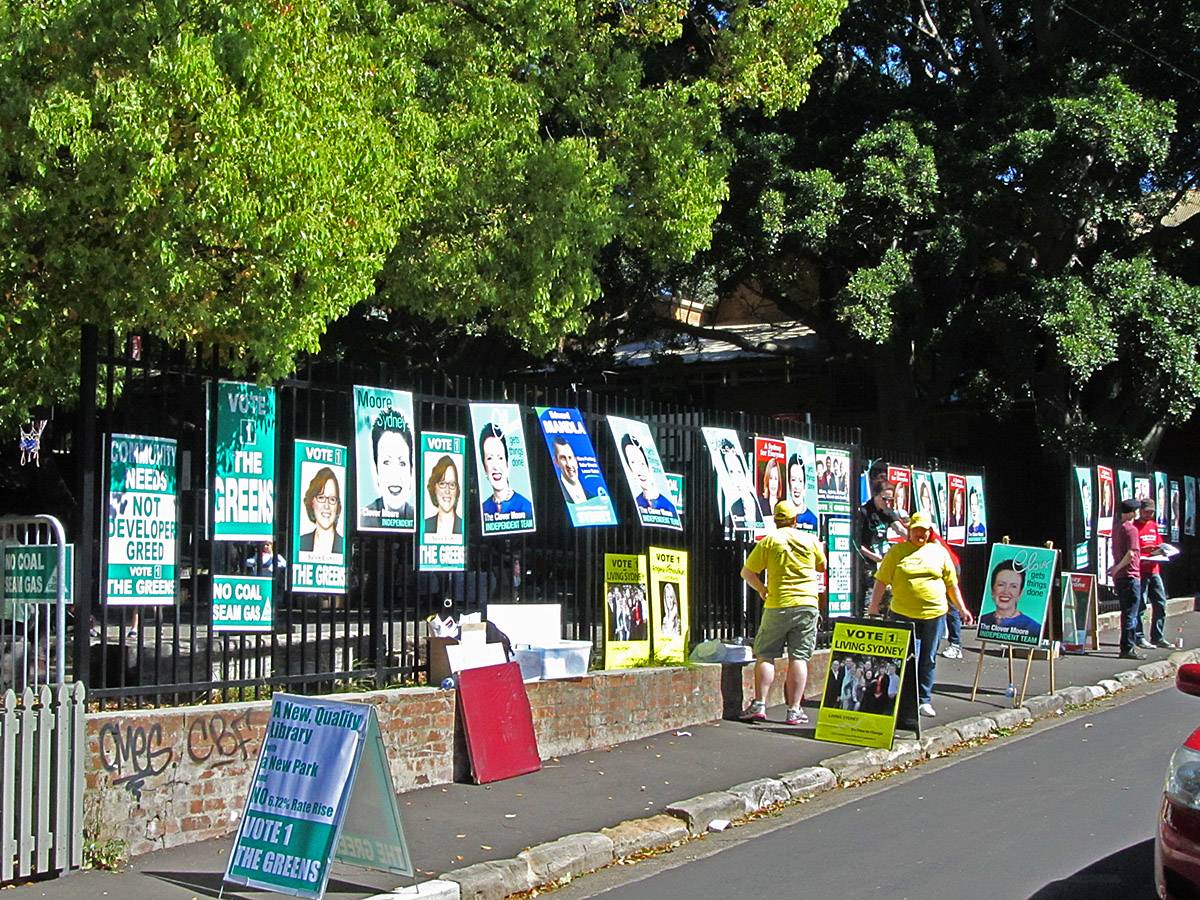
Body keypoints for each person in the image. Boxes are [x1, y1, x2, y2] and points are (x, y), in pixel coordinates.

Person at [869, 512, 975, 717]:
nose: (921, 534)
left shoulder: (939, 552)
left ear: (930, 532)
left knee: (928, 658)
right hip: (902, 613)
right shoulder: (897, 552)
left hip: (934, 614)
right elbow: (881, 581)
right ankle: (900, 699)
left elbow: (951, 584)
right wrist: (873, 607)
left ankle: (923, 700)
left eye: (925, 530)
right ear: (909, 531)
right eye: (917, 529)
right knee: (903, 659)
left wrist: (962, 609)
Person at [739, 500, 827, 726]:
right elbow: (822, 566)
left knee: (766, 654)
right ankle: (794, 710)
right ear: (796, 519)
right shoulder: (810, 540)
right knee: (799, 657)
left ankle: (759, 704)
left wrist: (762, 589)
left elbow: (747, 572)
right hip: (807, 603)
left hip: (778, 603)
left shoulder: (769, 541)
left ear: (776, 520)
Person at [856, 483, 907, 614]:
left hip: (882, 559)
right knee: (871, 593)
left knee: (887, 594)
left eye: (890, 500)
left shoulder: (887, 512)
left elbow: (900, 529)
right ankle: (868, 618)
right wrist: (872, 556)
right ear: (875, 495)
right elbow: (856, 542)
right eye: (884, 499)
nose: (886, 503)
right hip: (868, 560)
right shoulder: (864, 512)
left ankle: (881, 617)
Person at [361, 411, 415, 525]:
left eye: (402, 463)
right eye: (386, 462)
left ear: (411, 471)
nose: (395, 476)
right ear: (376, 471)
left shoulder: (418, 517)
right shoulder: (364, 518)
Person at [1108, 498, 1143, 659]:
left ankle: (1127, 646)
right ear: (1132, 512)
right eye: (1136, 510)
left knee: (1125, 612)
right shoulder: (1131, 529)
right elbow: (1130, 554)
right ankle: (1128, 648)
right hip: (1130, 574)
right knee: (1131, 613)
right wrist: (1117, 568)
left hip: (1121, 576)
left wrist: (1116, 569)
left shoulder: (1117, 528)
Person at [1136, 499, 1172, 649]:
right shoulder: (1134, 526)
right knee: (1141, 605)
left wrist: (1160, 550)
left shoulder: (1153, 526)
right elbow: (1133, 547)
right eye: (1146, 512)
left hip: (1154, 569)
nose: (1149, 515)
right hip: (1141, 570)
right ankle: (1139, 637)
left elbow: (1159, 544)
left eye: (1151, 512)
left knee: (1160, 603)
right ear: (1140, 511)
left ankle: (1157, 636)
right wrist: (1145, 551)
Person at [479, 423, 533, 520]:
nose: (496, 466)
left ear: (507, 464)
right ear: (484, 468)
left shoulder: (526, 507)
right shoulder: (483, 509)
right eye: (490, 458)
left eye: (500, 458)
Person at [978, 560, 1042, 639]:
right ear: (992, 590)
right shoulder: (983, 621)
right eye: (1001, 585)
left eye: (1013, 586)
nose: (1006, 591)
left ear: (1020, 593)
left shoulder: (1033, 628)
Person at [621, 434, 677, 515]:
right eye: (633, 463)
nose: (639, 470)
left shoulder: (669, 506)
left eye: (642, 463)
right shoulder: (635, 502)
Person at [299, 467, 344, 555]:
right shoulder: (300, 543)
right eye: (321, 497)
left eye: (332, 499)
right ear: (312, 502)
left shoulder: (344, 546)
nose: (326, 506)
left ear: (338, 506)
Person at [719, 439, 761, 531]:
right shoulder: (734, 508)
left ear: (746, 472)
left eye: (739, 471)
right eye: (731, 472)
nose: (736, 478)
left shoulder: (762, 505)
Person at [423, 455, 463, 536]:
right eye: (442, 483)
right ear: (434, 488)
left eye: (452, 484)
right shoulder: (424, 526)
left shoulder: (464, 527)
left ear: (457, 490)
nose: (447, 491)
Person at [552, 436, 593, 504]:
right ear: (556, 462)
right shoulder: (553, 496)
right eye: (563, 458)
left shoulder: (594, 498)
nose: (569, 465)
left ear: (576, 460)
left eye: (570, 458)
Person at [785, 454, 819, 531]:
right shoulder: (783, 519)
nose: (797, 486)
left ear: (805, 486)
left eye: (800, 481)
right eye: (793, 480)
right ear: (789, 484)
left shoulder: (814, 521)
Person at [758, 457, 784, 524]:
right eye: (771, 478)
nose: (773, 483)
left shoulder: (783, 504)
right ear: (767, 480)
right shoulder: (760, 504)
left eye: (775, 479)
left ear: (779, 481)